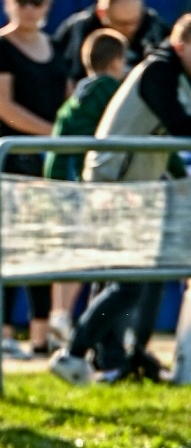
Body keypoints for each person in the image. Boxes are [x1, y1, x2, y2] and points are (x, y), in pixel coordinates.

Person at [50, 14, 191, 387]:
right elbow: (180, 123)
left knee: (126, 280)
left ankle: (111, 359)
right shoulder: (160, 71)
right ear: (181, 46)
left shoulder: (175, 72)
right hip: (115, 185)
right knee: (129, 283)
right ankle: (73, 354)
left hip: (134, 185)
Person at [0, 0, 70, 359]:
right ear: (8, 2)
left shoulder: (55, 47)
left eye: (36, 0)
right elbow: (2, 104)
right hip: (11, 160)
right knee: (7, 247)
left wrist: (64, 136)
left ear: (47, 3)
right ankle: (1, 334)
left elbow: (67, 100)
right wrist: (53, 134)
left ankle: (40, 334)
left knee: (44, 245)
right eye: (21, 0)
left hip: (48, 163)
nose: (29, 8)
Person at [43, 29, 128, 345]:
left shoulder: (82, 88)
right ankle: (63, 318)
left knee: (71, 248)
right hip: (73, 175)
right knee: (80, 249)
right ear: (117, 61)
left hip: (60, 171)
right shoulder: (107, 88)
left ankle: (59, 316)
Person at [53, 0, 170, 87]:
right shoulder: (79, 30)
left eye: (135, 21)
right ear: (101, 13)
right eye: (122, 23)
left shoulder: (154, 26)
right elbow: (64, 76)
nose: (130, 28)